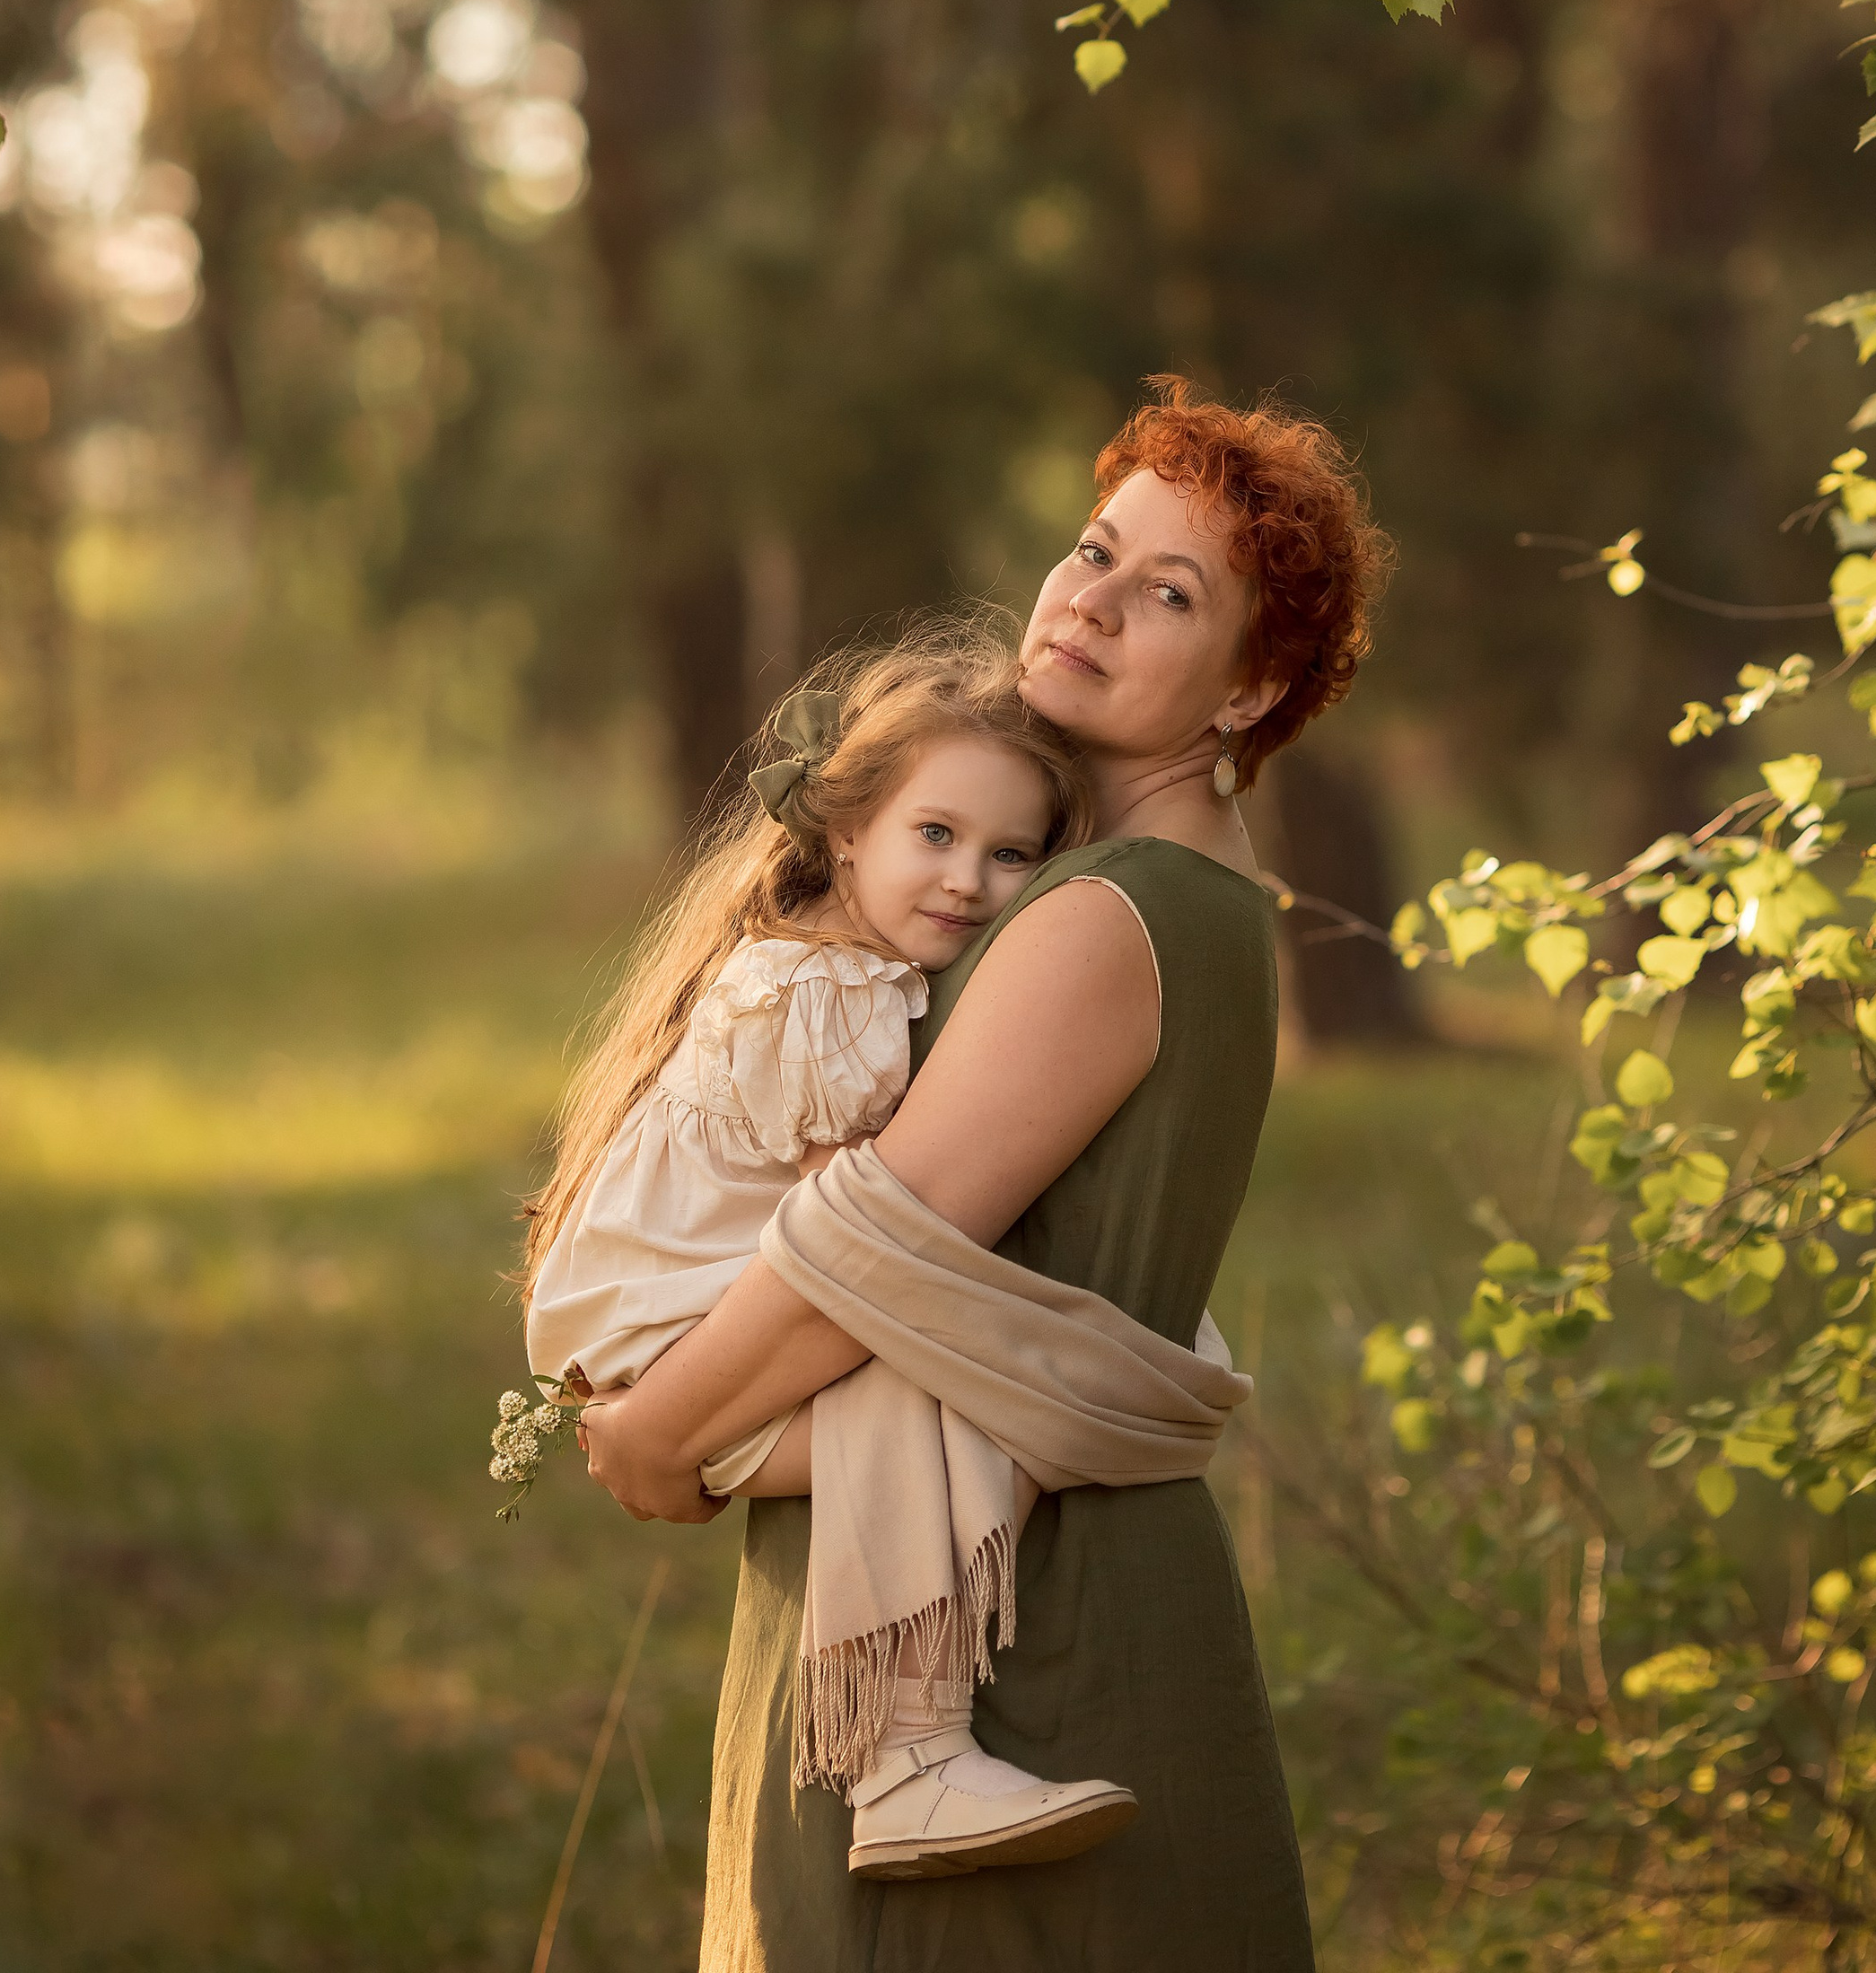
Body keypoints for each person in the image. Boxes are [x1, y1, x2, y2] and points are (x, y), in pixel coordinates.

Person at [581, 377, 1391, 1972]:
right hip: (986, 1556)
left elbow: (873, 1237)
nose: (1088, 597)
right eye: (1095, 548)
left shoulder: (1112, 909)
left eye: (1170, 594)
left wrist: (662, 1428)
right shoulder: (1191, 892)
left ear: (1252, 689)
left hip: (1007, 1629)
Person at [522, 621, 1139, 1874]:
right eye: (936, 835)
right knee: (971, 1402)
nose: (968, 879)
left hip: (684, 1312)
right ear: (846, 831)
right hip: (669, 1339)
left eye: (1011, 853)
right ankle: (905, 1761)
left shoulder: (847, 963)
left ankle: (909, 1753)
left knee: (992, 1398)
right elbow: (856, 1245)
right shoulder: (823, 994)